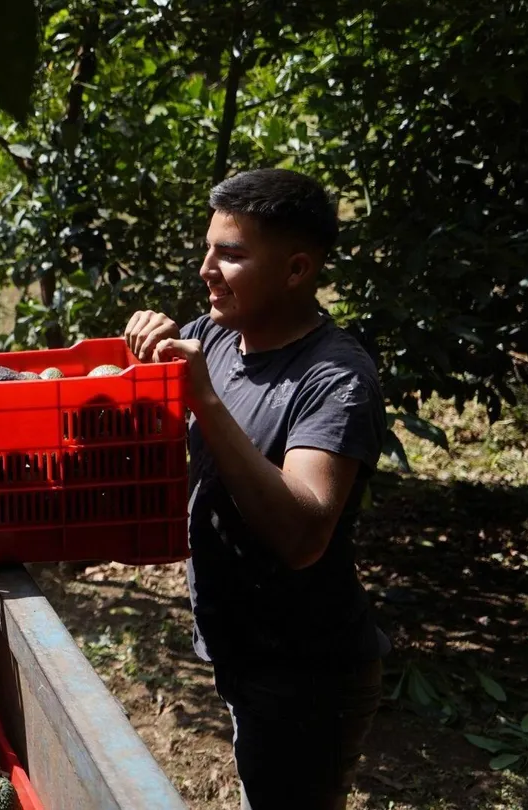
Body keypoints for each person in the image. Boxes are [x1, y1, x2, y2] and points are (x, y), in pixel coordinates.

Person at [123, 168, 389, 810]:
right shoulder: (215, 333)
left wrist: (204, 399)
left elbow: (302, 535)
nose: (206, 270)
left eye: (232, 255)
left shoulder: (335, 381)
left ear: (297, 270)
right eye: (208, 249)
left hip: (307, 672)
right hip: (244, 646)